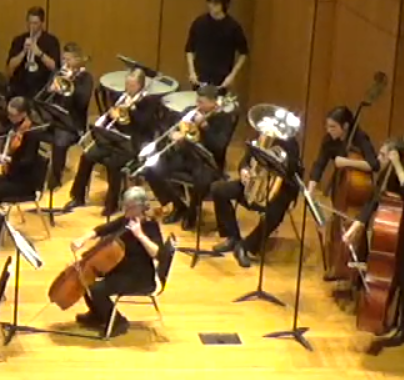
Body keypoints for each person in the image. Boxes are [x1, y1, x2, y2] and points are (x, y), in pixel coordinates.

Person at [343, 139, 404, 349]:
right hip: (393, 227)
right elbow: (372, 201)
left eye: (383, 155)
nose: (379, 159)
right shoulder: (386, 175)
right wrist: (356, 227)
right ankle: (388, 318)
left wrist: (397, 165)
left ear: (395, 156)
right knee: (392, 273)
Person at [66, 69, 165, 215]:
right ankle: (78, 196)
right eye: (127, 85)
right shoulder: (122, 98)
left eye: (131, 86)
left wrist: (132, 110)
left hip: (133, 143)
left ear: (140, 86)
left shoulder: (148, 102)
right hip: (114, 139)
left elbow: (144, 125)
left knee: (113, 164)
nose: (128, 89)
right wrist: (111, 117)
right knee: (86, 156)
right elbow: (114, 121)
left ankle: (111, 204)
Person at [67, 186, 163, 334]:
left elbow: (157, 253)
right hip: (120, 269)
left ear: (140, 207)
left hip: (138, 276)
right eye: (125, 207)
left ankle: (118, 322)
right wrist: (83, 239)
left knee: (97, 289)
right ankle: (98, 315)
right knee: (84, 276)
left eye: (129, 208)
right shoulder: (126, 220)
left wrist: (140, 235)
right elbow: (104, 228)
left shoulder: (150, 225)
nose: (126, 211)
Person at [141, 85, 235, 230]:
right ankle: (178, 205)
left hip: (208, 162)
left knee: (200, 179)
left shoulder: (224, 118)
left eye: (202, 102)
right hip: (186, 156)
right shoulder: (190, 111)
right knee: (151, 169)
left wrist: (205, 126)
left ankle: (193, 211)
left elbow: (219, 146)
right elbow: (172, 128)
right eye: (198, 101)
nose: (198, 105)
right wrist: (174, 135)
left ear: (214, 103)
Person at [209, 123, 304, 267]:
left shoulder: (290, 145)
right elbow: (245, 160)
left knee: (274, 214)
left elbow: (290, 170)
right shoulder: (261, 138)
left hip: (277, 193)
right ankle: (232, 237)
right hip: (253, 186)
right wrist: (244, 170)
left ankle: (246, 246)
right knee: (218, 189)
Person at [40, 43, 94, 191]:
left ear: (78, 60)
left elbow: (82, 103)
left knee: (60, 140)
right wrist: (50, 89)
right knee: (31, 132)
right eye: (64, 59)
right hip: (53, 120)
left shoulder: (85, 78)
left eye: (69, 60)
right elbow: (42, 97)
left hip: (72, 125)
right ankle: (35, 175)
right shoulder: (59, 73)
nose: (65, 63)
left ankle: (54, 182)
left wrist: (71, 85)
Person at [0, 96, 46, 204]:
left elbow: (27, 161)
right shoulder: (16, 124)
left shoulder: (32, 133)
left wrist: (9, 160)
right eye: (8, 114)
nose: (9, 117)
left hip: (23, 182)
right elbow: (4, 131)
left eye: (13, 115)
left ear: (23, 114)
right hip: (11, 175)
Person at [185, 0, 249, 91]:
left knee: (218, 106)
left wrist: (232, 76)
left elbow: (244, 53)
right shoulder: (199, 23)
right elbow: (189, 49)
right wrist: (192, 72)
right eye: (210, 3)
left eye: (215, 4)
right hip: (200, 77)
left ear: (224, 5)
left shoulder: (233, 27)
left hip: (221, 79)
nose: (211, 6)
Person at [307, 106, 379, 196]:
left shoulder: (360, 138)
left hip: (357, 191)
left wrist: (346, 162)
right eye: (327, 126)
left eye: (333, 127)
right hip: (340, 186)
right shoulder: (329, 140)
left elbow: (374, 165)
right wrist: (311, 189)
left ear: (345, 126)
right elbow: (319, 164)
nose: (329, 130)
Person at [5, 6, 61, 101]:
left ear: (42, 23)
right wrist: (24, 52)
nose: (31, 26)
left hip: (41, 89)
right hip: (19, 88)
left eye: (35, 23)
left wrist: (39, 53)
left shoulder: (51, 41)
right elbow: (10, 68)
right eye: (29, 22)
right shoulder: (19, 40)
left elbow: (55, 67)